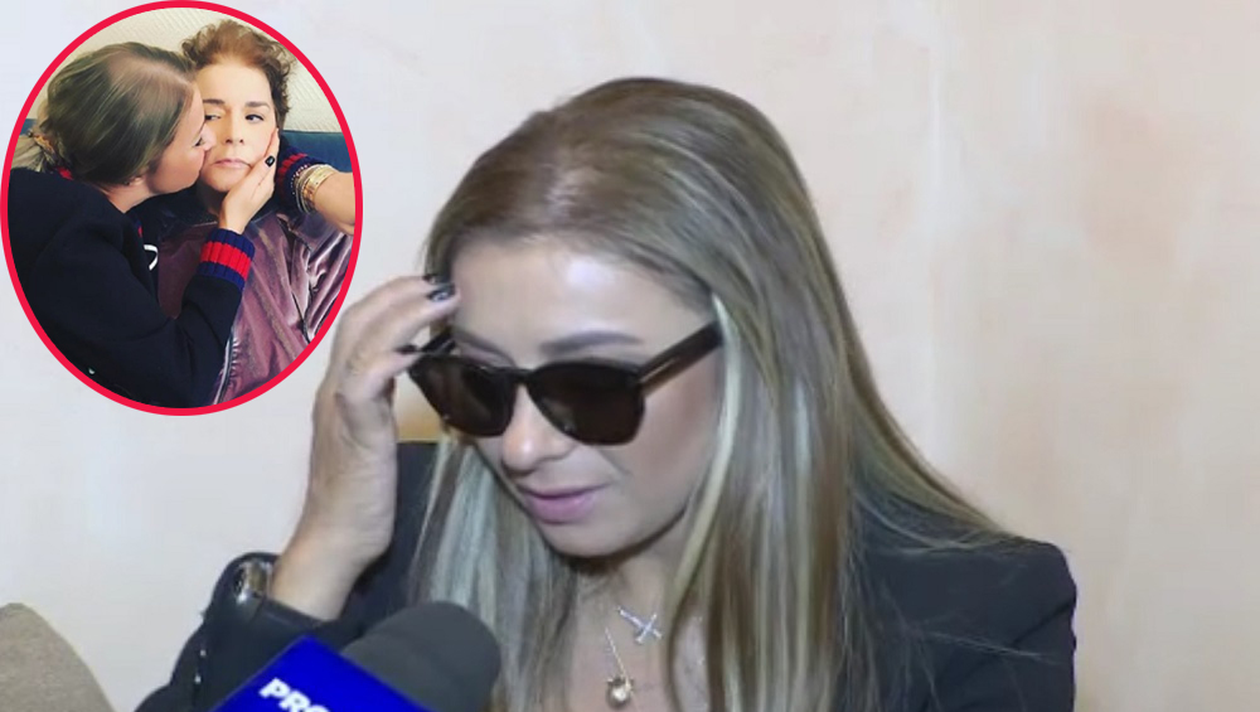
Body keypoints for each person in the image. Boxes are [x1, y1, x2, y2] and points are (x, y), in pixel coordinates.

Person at [139, 78, 1076, 712]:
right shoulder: (406, 546)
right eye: (479, 382)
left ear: (759, 350)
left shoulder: (967, 615)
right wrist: (326, 549)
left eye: (589, 385)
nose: (520, 448)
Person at [7, 42, 278, 407]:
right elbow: (182, 384)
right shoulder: (73, 249)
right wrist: (230, 230)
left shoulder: (103, 177)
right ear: (138, 170)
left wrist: (307, 179)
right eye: (200, 135)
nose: (218, 140)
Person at [142, 20, 353, 404]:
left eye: (253, 116)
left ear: (276, 132)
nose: (234, 134)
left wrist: (303, 176)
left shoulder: (316, 232)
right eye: (211, 114)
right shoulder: (142, 229)